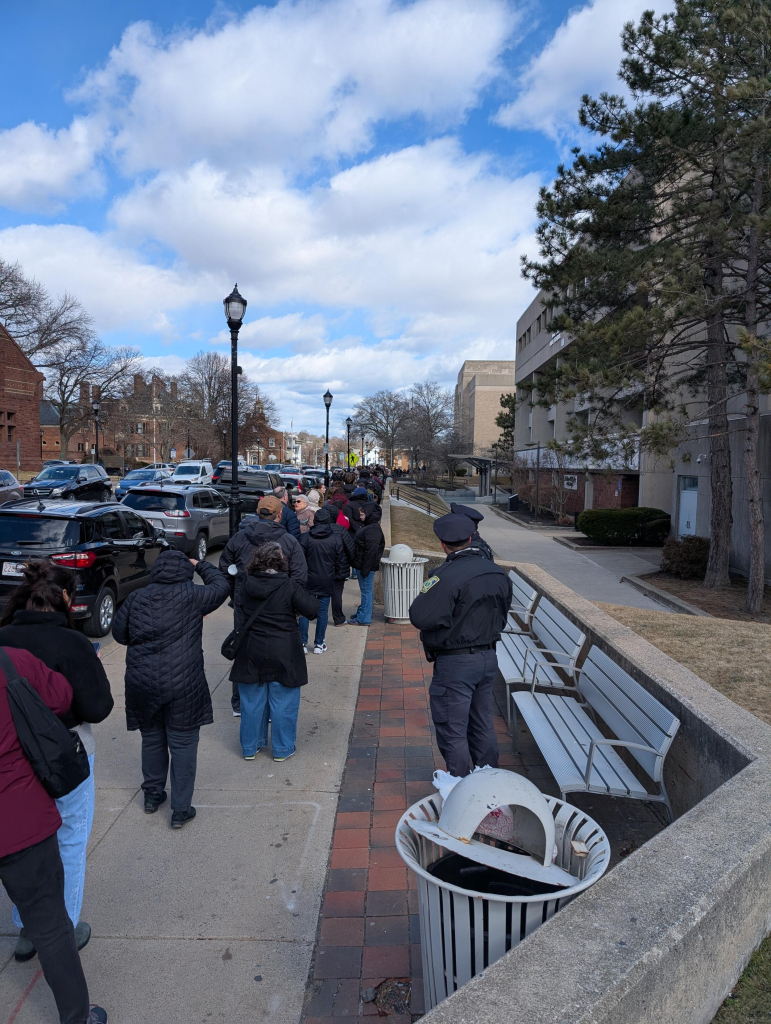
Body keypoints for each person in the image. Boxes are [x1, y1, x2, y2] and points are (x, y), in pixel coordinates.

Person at [0, 561, 113, 963]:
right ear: (65, 598)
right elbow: (98, 707)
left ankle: (29, 925)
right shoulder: (72, 644)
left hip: (12, 757)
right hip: (65, 755)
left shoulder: (4, 638)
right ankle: (61, 928)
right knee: (69, 839)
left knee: (26, 844)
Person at [0, 645, 108, 1024]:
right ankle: (77, 1018)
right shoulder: (11, 661)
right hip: (17, 817)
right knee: (49, 924)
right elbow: (62, 696)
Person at [112, 549, 229, 828]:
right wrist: (200, 564)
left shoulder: (137, 597)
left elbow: (119, 634)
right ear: (185, 571)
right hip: (184, 682)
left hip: (143, 680)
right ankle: (180, 809)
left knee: (151, 739)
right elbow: (222, 585)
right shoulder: (193, 596)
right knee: (183, 743)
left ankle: (152, 795)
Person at [409, 513, 512, 778]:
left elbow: (420, 616)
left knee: (453, 728)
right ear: (470, 538)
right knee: (482, 724)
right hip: (488, 658)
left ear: (443, 544)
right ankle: (489, 783)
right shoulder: (496, 572)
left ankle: (460, 788)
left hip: (456, 664)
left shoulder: (446, 576)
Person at [219, 496, 307, 715]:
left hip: (244, 607)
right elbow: (300, 576)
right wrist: (288, 598)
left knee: (244, 651)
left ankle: (240, 703)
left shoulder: (239, 538)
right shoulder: (288, 541)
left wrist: (237, 594)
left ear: (257, 512)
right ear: (279, 515)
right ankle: (270, 706)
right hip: (280, 609)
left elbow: (224, 570)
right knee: (278, 653)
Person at [230, 543, 319, 761]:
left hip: (252, 647)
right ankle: (282, 748)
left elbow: (238, 607)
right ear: (280, 560)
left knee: (251, 702)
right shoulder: (288, 585)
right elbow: (312, 610)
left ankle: (250, 747)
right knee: (284, 701)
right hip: (284, 648)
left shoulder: (246, 583)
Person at [298, 507, 349, 652]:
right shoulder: (335, 538)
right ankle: (319, 643)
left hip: (308, 580)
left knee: (304, 612)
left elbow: (300, 560)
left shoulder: (305, 538)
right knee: (322, 612)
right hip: (326, 579)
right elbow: (340, 560)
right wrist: (337, 575)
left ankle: (302, 642)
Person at [350, 501, 385, 625]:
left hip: (365, 566)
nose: (360, 516)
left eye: (362, 514)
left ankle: (363, 617)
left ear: (369, 514)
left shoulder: (372, 529)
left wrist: (365, 569)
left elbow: (371, 551)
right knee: (365, 591)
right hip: (363, 565)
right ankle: (362, 613)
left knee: (366, 591)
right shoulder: (369, 527)